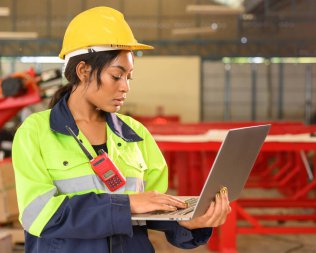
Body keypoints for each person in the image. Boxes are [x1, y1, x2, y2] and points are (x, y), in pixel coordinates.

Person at [12, 6, 231, 253]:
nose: (125, 87)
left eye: (129, 77)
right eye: (117, 76)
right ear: (83, 71)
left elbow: (153, 210)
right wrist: (126, 205)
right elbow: (38, 214)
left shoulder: (136, 135)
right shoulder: (35, 132)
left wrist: (189, 223)